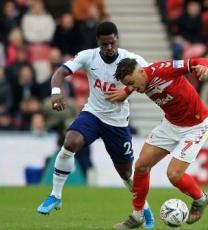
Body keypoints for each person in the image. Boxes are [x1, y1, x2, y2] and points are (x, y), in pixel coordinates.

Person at [36, 21, 154, 228]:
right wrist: (56, 93)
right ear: (98, 42)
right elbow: (59, 73)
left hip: (117, 122)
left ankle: (144, 208)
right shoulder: (87, 56)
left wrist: (126, 91)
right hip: (93, 114)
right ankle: (55, 196)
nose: (109, 47)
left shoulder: (131, 59)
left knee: (126, 174)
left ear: (117, 39)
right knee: (70, 143)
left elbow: (150, 75)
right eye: (104, 44)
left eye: (112, 42)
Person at [112, 57, 208, 229]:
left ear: (142, 72)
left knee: (174, 175)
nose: (133, 88)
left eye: (131, 83)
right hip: (170, 125)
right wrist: (125, 92)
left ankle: (201, 198)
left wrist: (203, 66)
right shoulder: (139, 80)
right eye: (128, 85)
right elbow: (135, 84)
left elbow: (199, 60)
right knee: (141, 166)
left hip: (196, 126)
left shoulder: (164, 70)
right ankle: (137, 216)